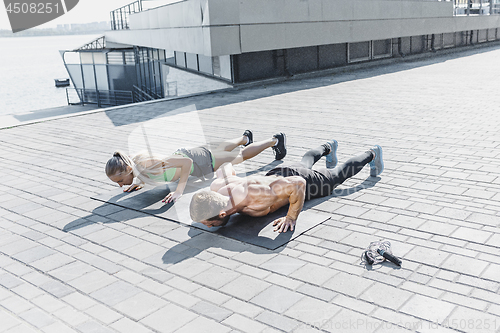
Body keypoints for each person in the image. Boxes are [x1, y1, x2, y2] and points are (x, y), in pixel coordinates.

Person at [189, 140, 383, 232]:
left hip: (298, 181)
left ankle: (372, 153)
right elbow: (225, 167)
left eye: (208, 223)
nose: (207, 226)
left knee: (337, 176)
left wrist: (291, 216)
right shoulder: (218, 187)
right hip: (277, 174)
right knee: (304, 161)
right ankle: (327, 147)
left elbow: (299, 184)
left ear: (222, 214)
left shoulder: (256, 198)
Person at [105, 131, 287, 203]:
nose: (121, 185)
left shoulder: (147, 165)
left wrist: (179, 191)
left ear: (128, 169)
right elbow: (147, 173)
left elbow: (186, 163)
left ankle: (275, 140)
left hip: (197, 161)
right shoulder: (137, 168)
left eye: (120, 180)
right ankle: (245, 138)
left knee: (238, 157)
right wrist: (139, 182)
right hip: (192, 153)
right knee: (221, 149)